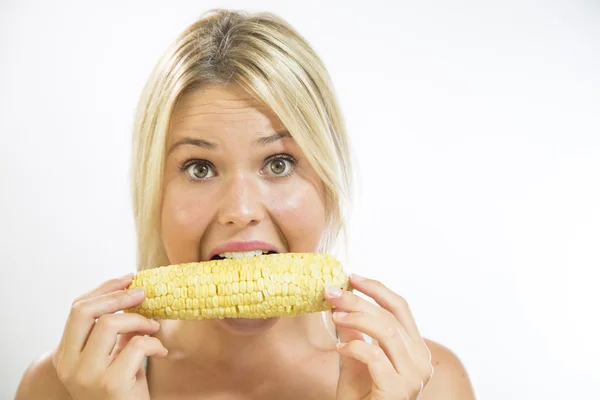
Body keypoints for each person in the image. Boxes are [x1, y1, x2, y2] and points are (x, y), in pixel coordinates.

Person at [15, 9, 476, 400]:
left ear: (329, 185)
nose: (240, 209)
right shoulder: (60, 387)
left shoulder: (430, 383)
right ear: (152, 191)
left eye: (278, 163)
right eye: (199, 168)